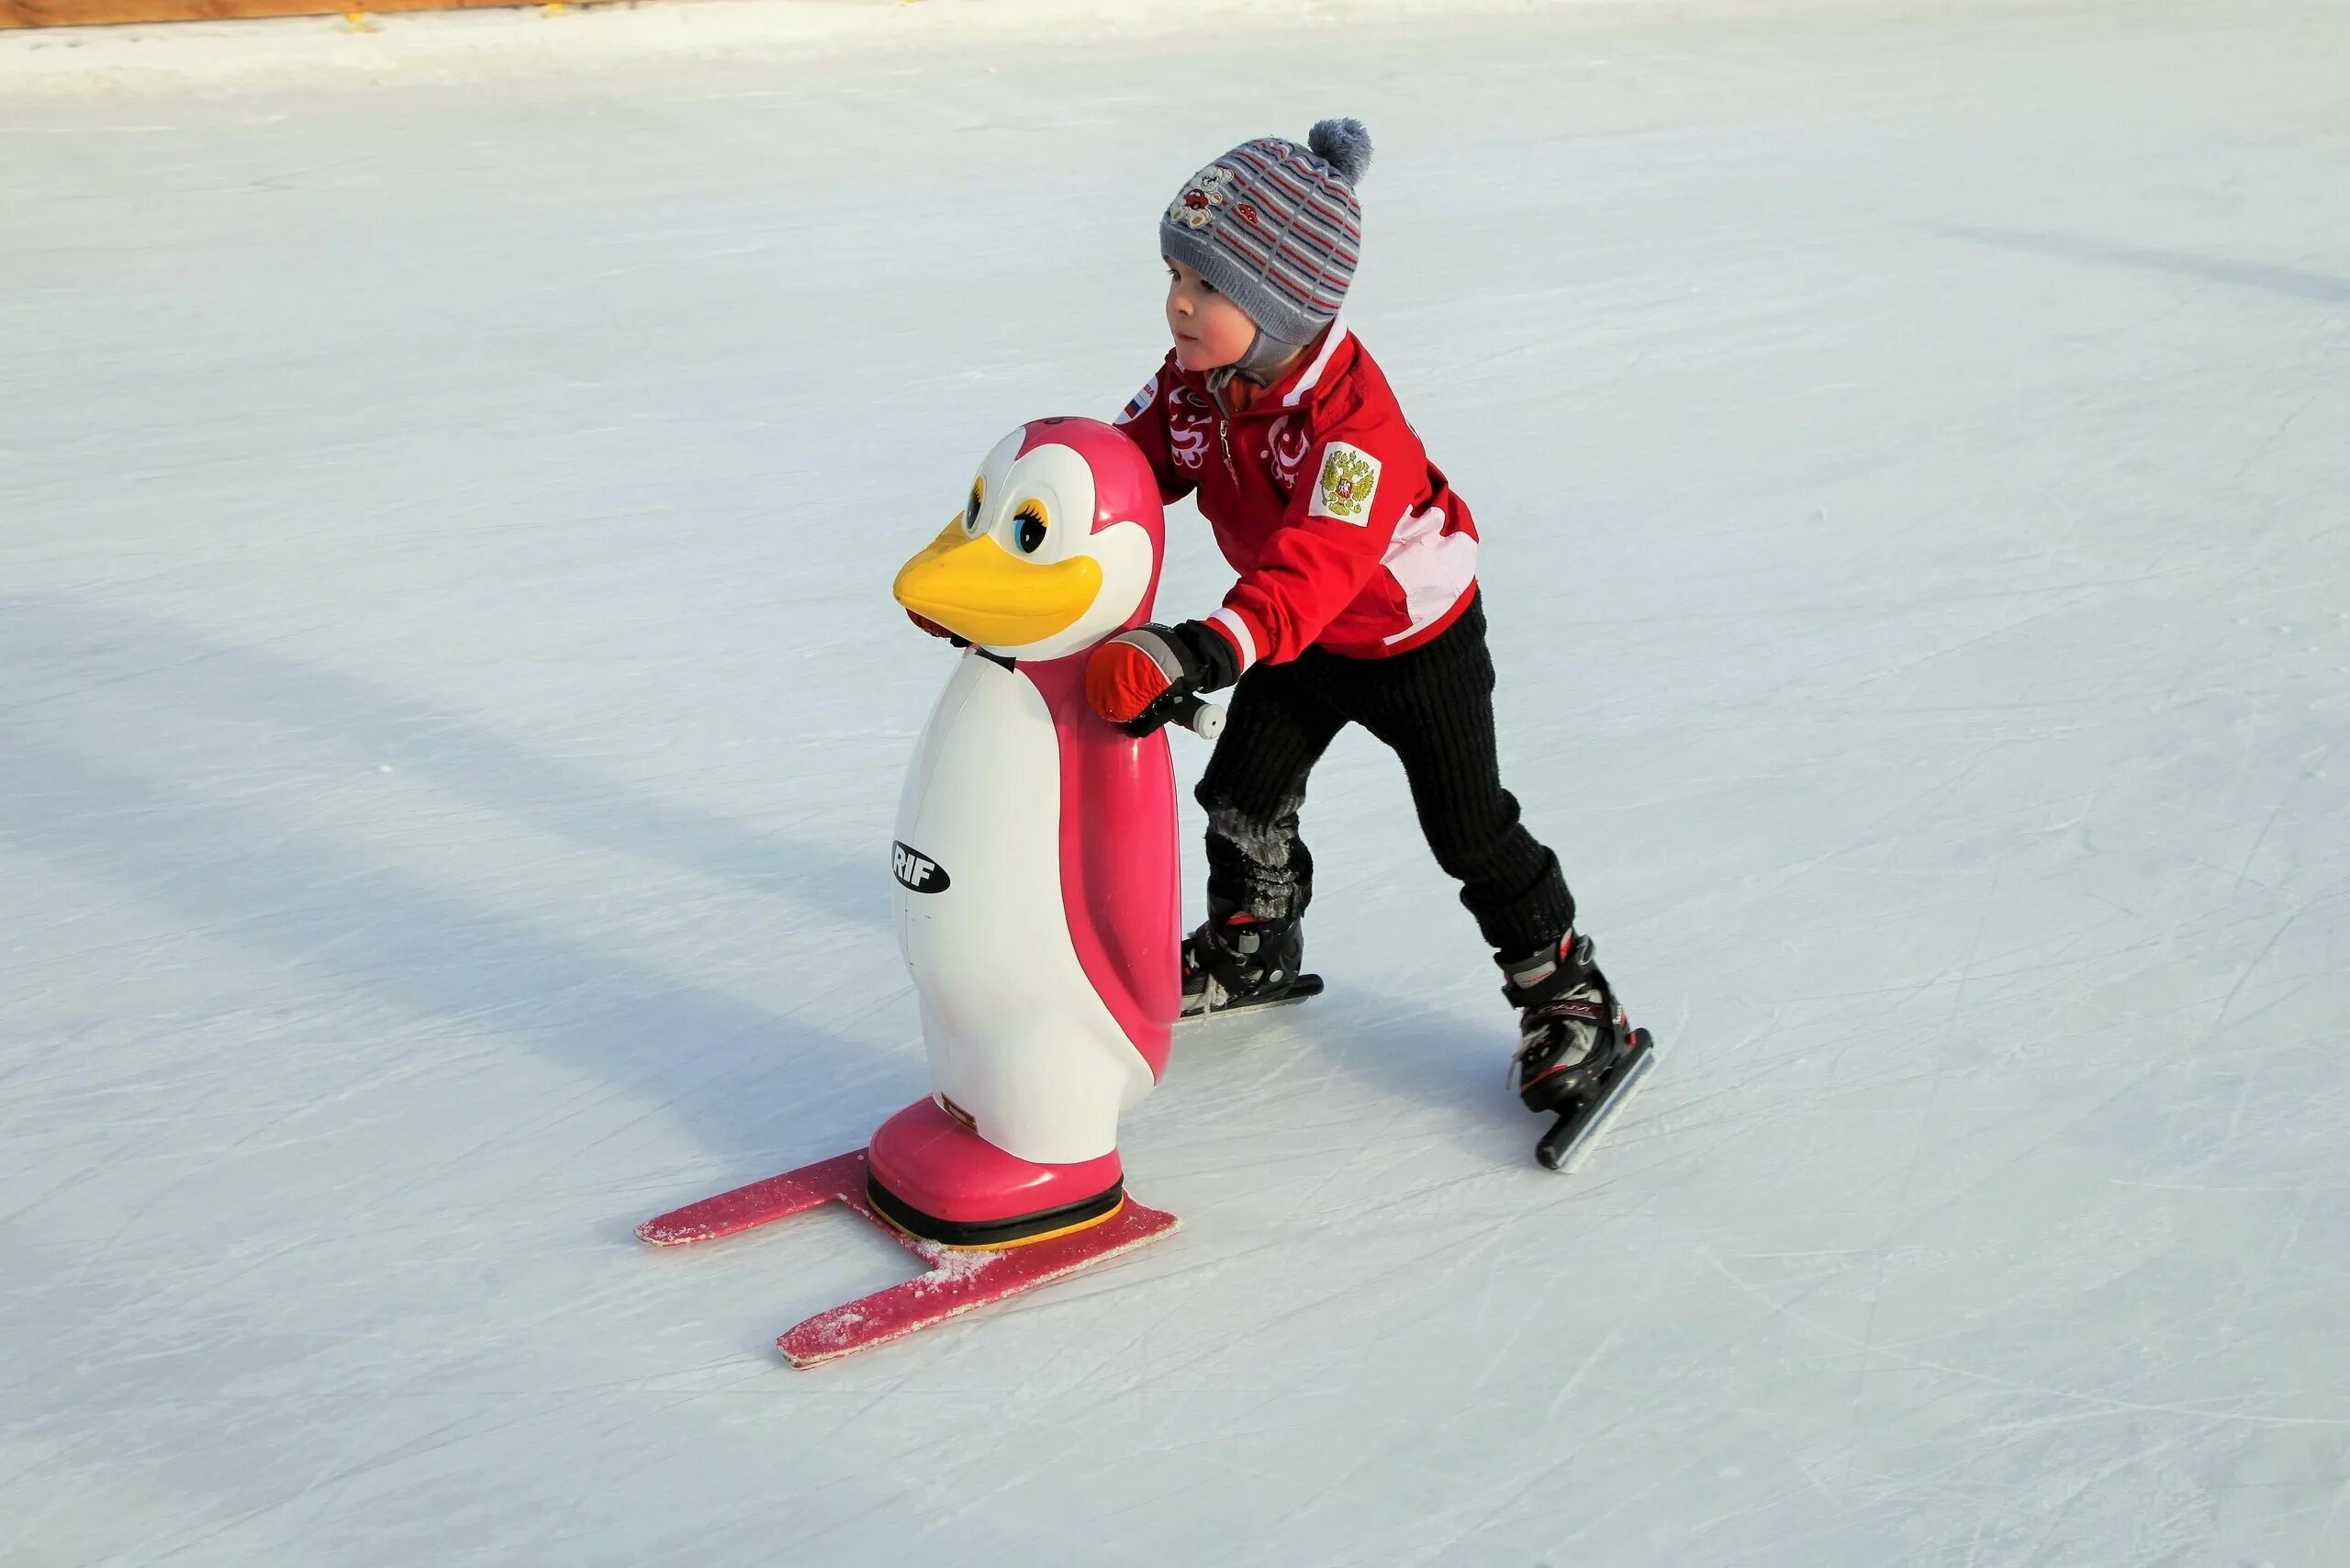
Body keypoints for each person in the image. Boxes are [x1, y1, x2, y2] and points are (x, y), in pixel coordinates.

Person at [1074, 118, 1640, 1126]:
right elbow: (1135, 459)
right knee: (1240, 793)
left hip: (1412, 642)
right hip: (1301, 639)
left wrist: (1205, 646)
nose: (1177, 304)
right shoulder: (1197, 379)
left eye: (1206, 287)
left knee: (1468, 830)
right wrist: (1049, 515)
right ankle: (1252, 941)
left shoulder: (1353, 431)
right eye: (1173, 273)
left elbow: (1317, 564)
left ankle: (1570, 997)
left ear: (1283, 303)